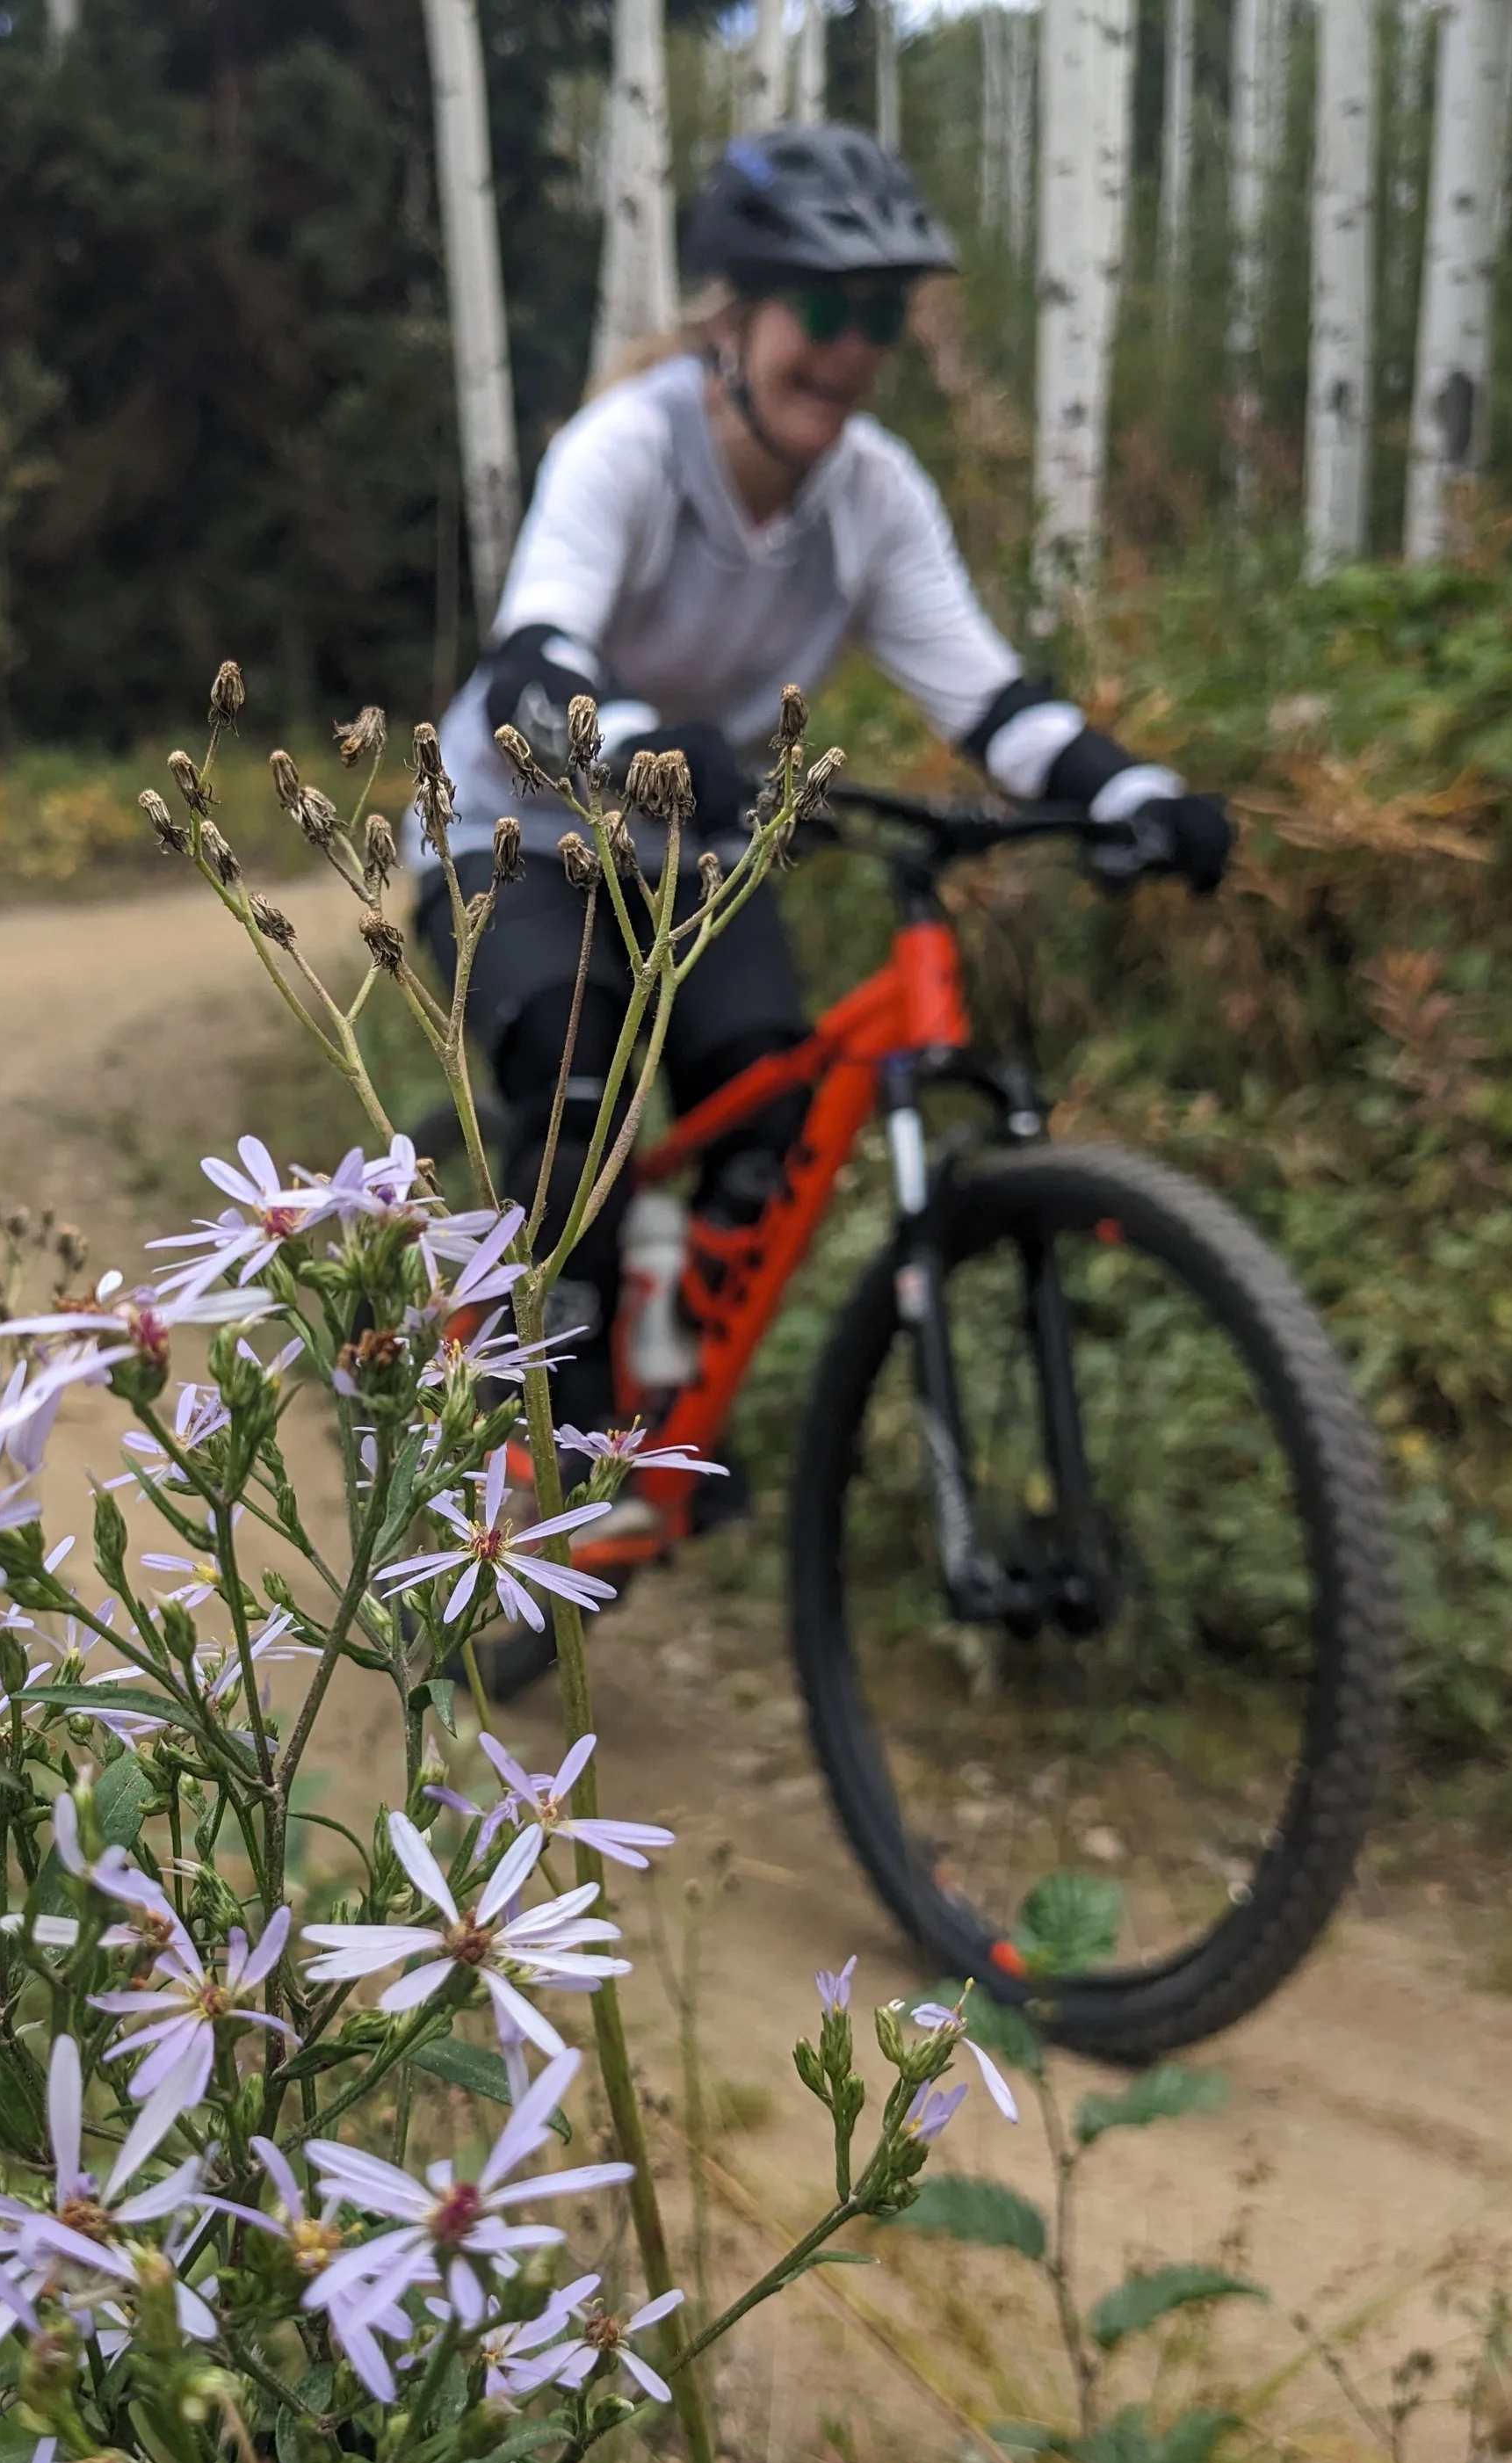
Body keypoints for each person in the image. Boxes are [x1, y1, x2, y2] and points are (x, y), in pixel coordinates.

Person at [414, 123, 1232, 1470]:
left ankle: (664, 1379)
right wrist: (634, 737)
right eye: (828, 311)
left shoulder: (873, 495)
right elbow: (530, 660)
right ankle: (528, 1445)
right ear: (732, 317)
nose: (855, 351)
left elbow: (989, 701)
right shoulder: (629, 443)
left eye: (884, 320)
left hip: (692, 844)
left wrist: (1137, 791)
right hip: (519, 826)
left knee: (768, 1104)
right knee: (573, 1088)